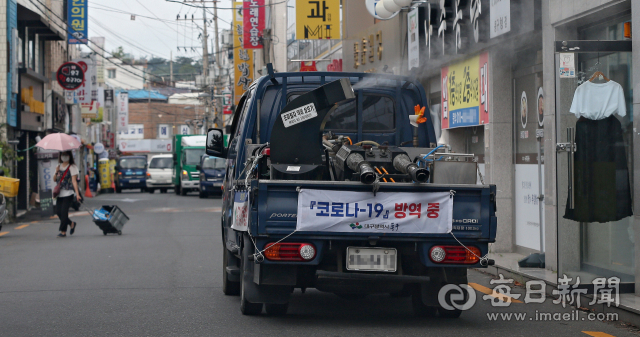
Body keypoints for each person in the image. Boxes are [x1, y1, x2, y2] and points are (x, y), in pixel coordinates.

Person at [54, 151, 81, 237]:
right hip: (59, 193)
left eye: (66, 154)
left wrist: (77, 194)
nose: (64, 156)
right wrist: (56, 171)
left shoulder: (72, 167)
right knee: (58, 212)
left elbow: (74, 181)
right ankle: (71, 223)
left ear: (69, 156)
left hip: (68, 192)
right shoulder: (58, 166)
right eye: (62, 154)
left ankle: (63, 231)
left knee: (64, 212)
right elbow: (55, 179)